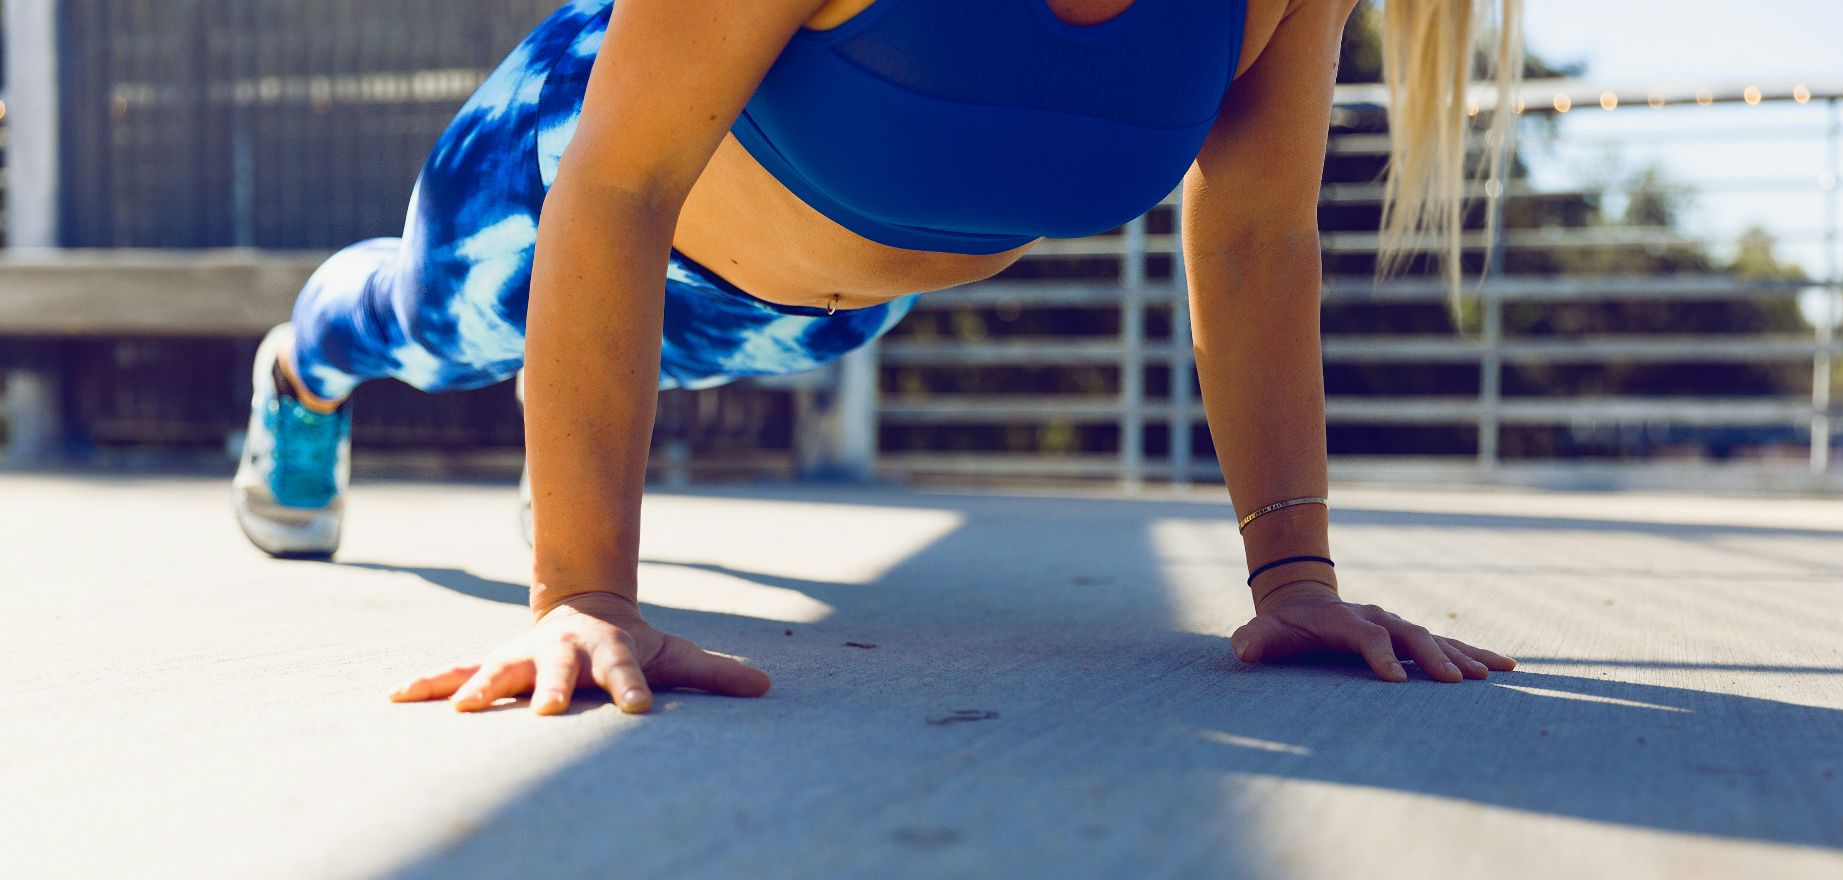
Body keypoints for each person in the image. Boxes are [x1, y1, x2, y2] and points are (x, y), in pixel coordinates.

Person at [231, 0, 1523, 715]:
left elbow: (1251, 237)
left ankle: (565, 429)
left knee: (615, 377)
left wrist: (1294, 575)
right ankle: (298, 377)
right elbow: (617, 187)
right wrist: (588, 594)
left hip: (814, 316)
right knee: (415, 323)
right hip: (557, 189)